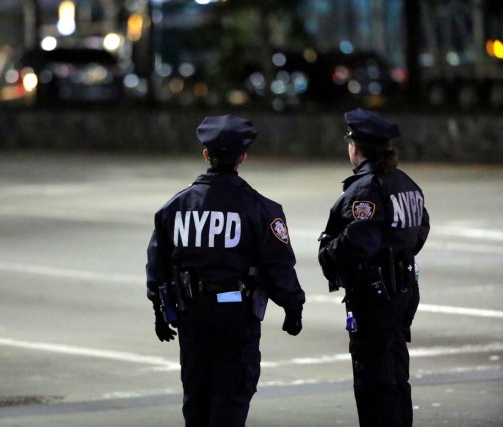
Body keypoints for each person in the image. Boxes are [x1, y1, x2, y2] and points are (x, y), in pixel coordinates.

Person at [146, 114, 305, 427]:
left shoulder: (175, 208)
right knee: (231, 397)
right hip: (236, 317)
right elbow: (278, 265)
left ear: (206, 155)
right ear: (242, 157)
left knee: (197, 397)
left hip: (192, 313)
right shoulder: (260, 208)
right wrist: (293, 306)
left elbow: (158, 264)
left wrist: (159, 309)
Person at [318, 108, 430, 427]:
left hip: (375, 294)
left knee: (374, 382)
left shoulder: (367, 188)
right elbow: (421, 227)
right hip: (402, 289)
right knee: (396, 376)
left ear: (356, 146)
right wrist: (398, 252)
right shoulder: (406, 183)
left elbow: (359, 240)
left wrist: (328, 253)